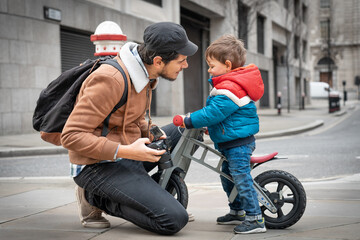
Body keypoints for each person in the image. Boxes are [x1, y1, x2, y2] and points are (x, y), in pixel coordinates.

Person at [60, 22, 198, 235]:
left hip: (128, 152)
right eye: (182, 60)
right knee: (173, 219)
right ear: (158, 60)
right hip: (98, 165)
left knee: (186, 131)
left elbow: (132, 117)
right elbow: (71, 136)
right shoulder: (110, 79)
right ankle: (97, 198)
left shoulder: (144, 74)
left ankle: (148, 195)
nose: (186, 65)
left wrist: (152, 130)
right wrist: (126, 151)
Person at [179, 34, 266, 234]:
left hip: (238, 144)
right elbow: (225, 117)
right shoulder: (227, 85)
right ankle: (237, 211)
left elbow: (213, 112)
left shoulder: (229, 88)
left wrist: (188, 120)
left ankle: (255, 219)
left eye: (211, 65)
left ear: (227, 65)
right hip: (231, 141)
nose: (209, 70)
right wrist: (213, 128)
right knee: (227, 177)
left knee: (240, 176)